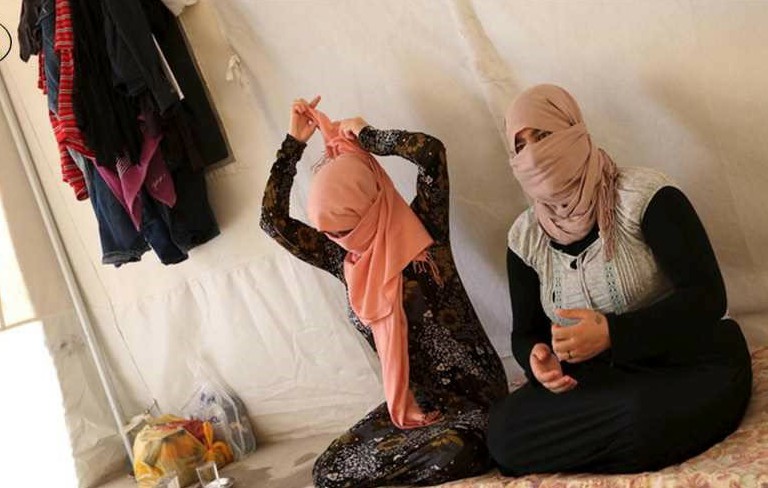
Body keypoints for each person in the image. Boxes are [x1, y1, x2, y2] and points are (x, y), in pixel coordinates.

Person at [487, 84, 752, 475]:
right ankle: (634, 443)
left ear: (574, 131)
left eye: (542, 135)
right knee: (503, 434)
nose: (533, 156)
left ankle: (620, 442)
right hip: (604, 380)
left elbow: (708, 298)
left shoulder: (646, 197)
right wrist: (536, 358)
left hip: (686, 360)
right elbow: (526, 332)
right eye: (520, 146)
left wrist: (613, 333)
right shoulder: (525, 238)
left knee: (645, 416)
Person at [260, 96, 508, 487]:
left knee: (455, 452)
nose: (341, 239)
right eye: (331, 233)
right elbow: (272, 221)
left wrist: (369, 137)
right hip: (414, 403)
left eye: (346, 228)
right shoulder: (346, 259)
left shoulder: (425, 230)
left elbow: (431, 154)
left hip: (475, 399)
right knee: (328, 471)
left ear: (370, 204)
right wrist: (293, 144)